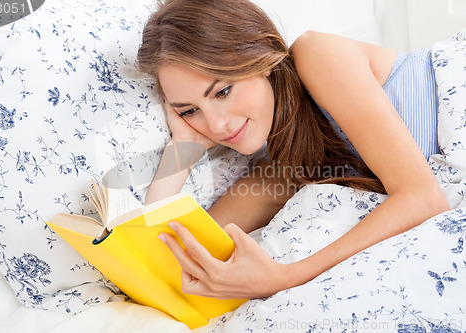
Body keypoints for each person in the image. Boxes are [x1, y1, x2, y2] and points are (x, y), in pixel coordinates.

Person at [136, 0, 450, 299]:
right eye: (190, 111)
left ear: (261, 55)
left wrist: (284, 276)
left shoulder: (317, 55)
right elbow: (164, 261)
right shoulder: (283, 172)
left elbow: (424, 198)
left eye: (223, 92)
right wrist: (183, 148)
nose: (217, 125)